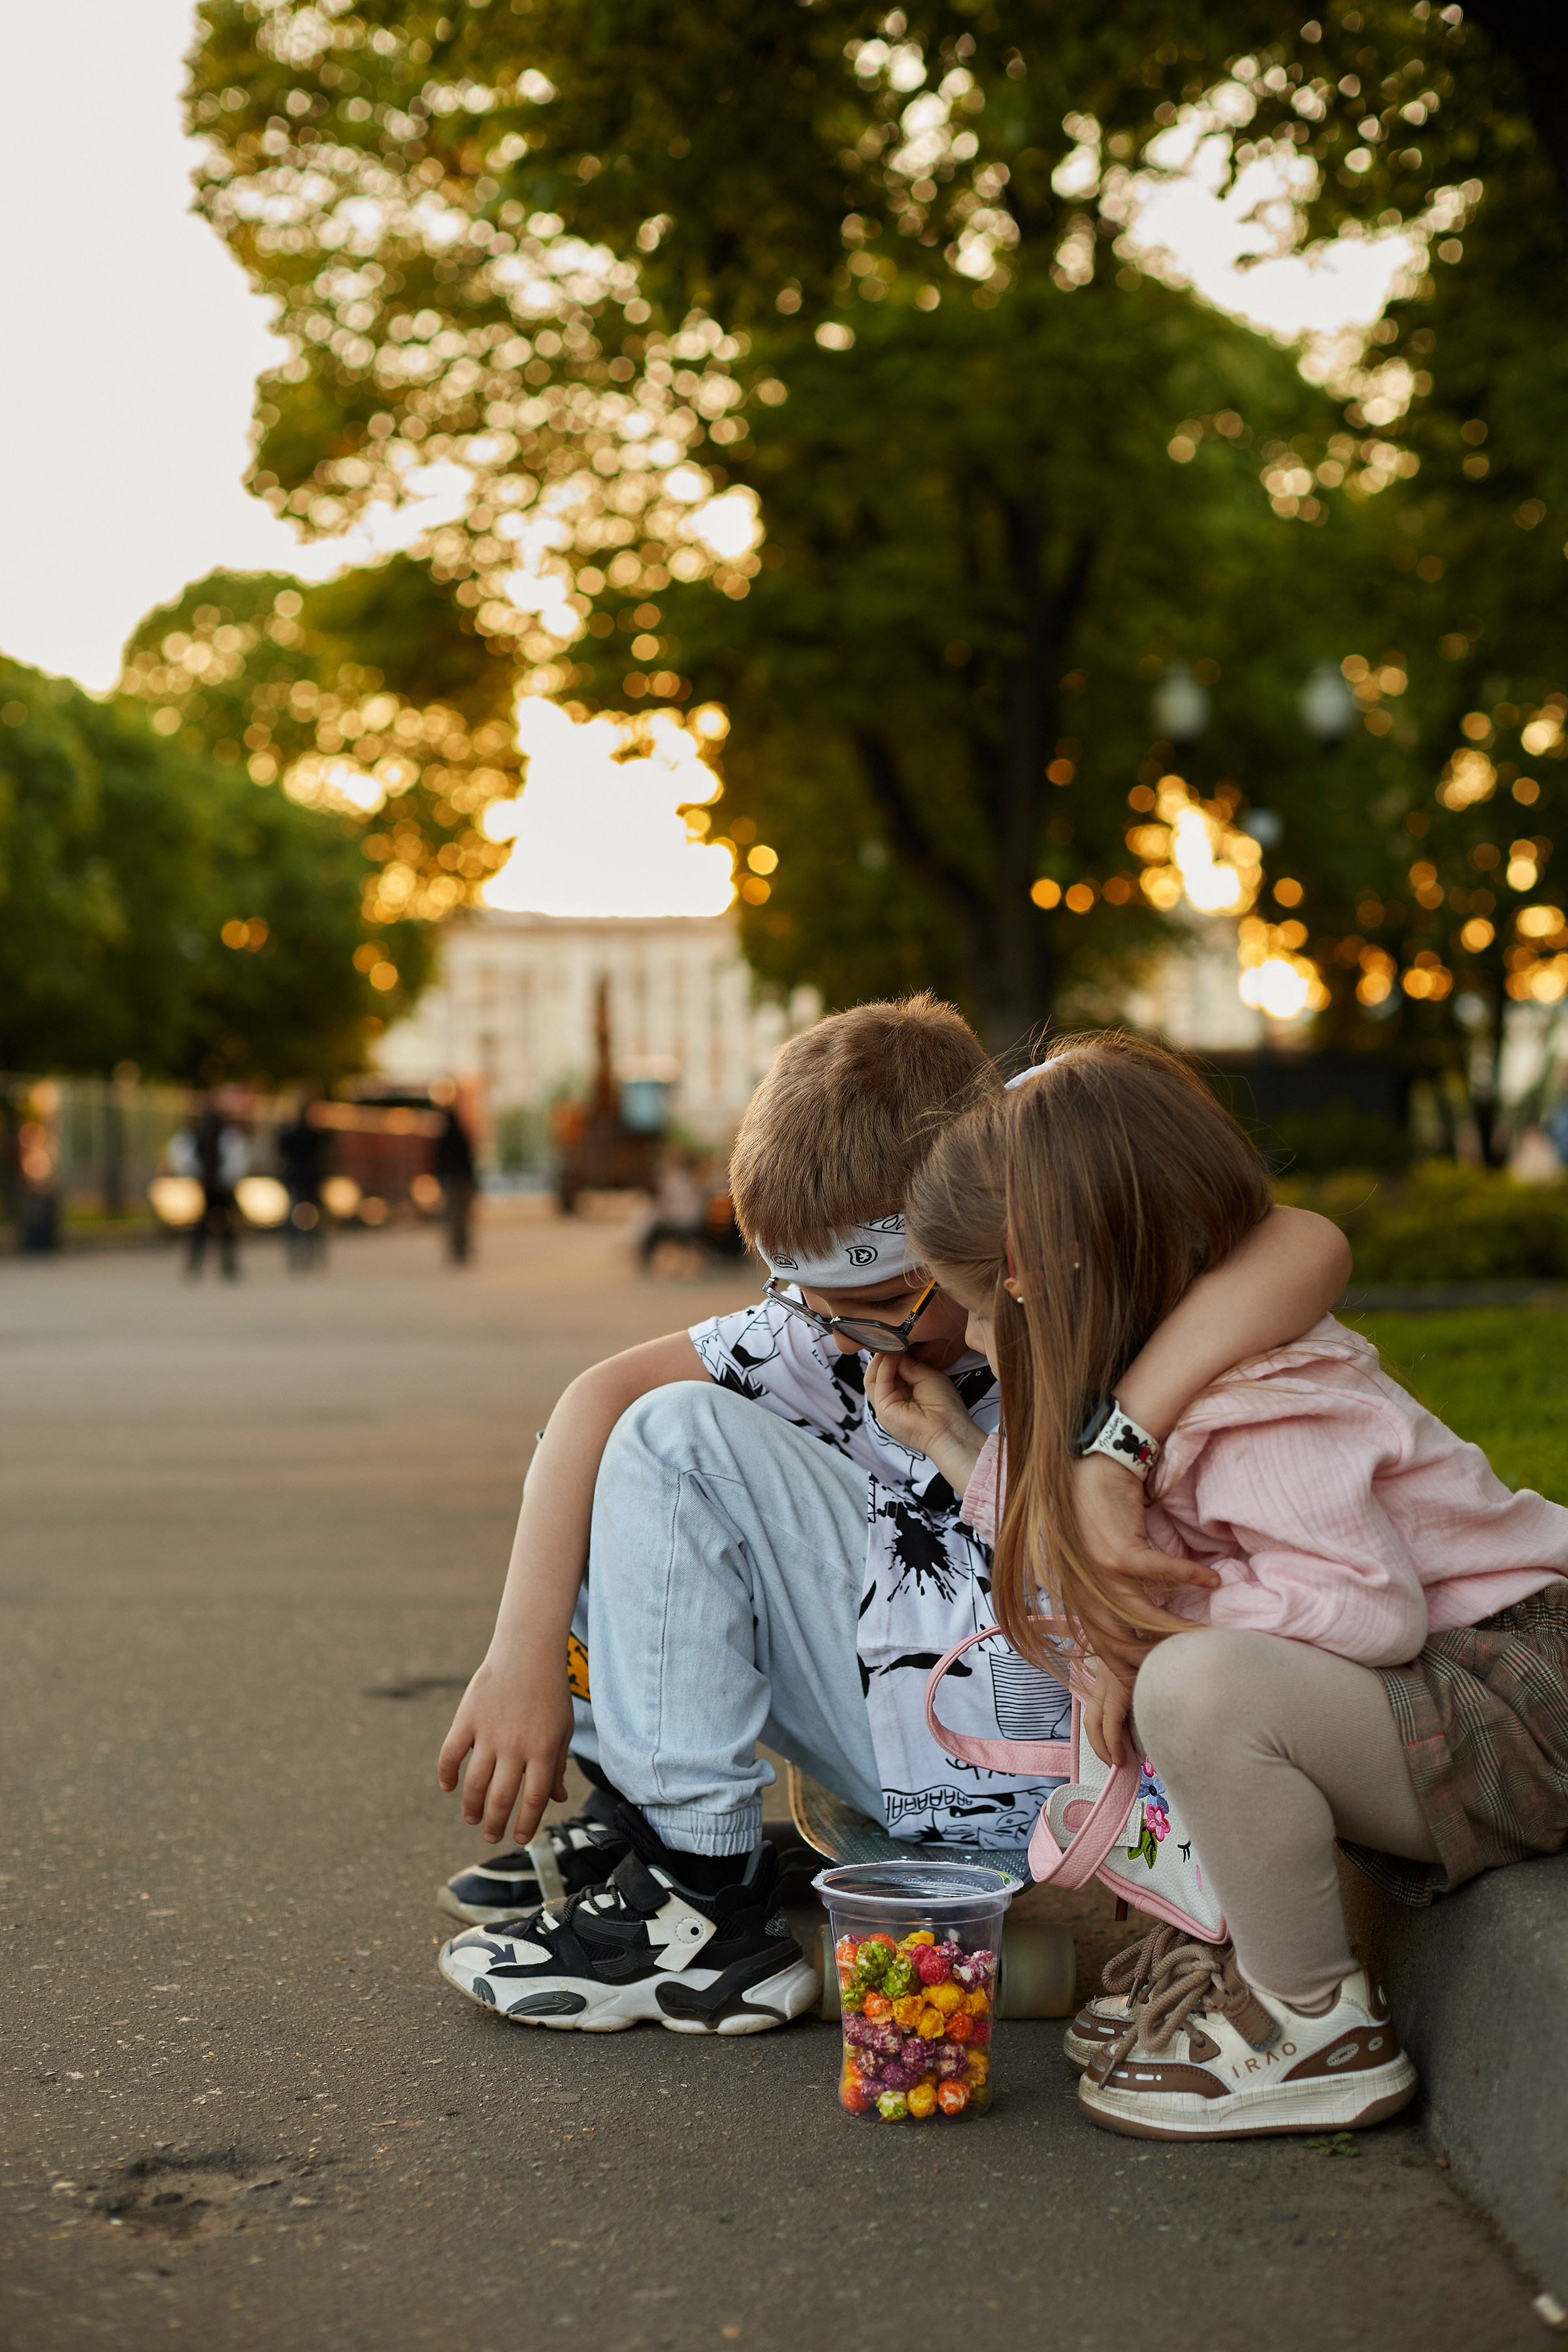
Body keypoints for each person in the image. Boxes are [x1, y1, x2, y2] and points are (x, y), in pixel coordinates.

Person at [431, 995, 1351, 2040]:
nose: (840, 1341)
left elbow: (1304, 1239)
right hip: (965, 1727)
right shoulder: (840, 1327)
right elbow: (593, 1399)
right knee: (616, 1450)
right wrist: (520, 1662)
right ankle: (662, 1828)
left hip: (1062, 1760)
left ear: (988, 1234)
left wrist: (1118, 1443)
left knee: (677, 1444)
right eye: (805, 1303)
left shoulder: (1094, 1277)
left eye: (877, 1303)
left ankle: (700, 1910)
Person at [882, 1033, 1568, 2138]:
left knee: (1198, 1691)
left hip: (1521, 1690)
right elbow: (1097, 1544)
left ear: (1023, 1267)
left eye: (966, 1303)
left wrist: (1152, 1654)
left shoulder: (1258, 1402)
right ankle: (1239, 1958)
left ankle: (1311, 2024)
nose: (961, 1335)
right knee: (1182, 1677)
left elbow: (1364, 1610)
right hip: (1454, 1689)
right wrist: (961, 1446)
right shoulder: (1155, 1376)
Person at [178, 1098, 248, 1281]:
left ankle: (202, 1263)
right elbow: (237, 1164)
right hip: (220, 1190)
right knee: (224, 1227)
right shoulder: (227, 1138)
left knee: (207, 1228)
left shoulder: (201, 1137)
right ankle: (226, 1264)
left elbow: (185, 1161)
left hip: (211, 1188)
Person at [278, 1092, 329, 1271]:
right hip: (311, 1177)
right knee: (315, 1217)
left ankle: (295, 1255)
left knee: (293, 1217)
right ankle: (315, 1254)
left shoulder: (290, 1133)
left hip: (295, 1176)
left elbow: (282, 1151)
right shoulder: (314, 1134)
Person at [432, 1086, 478, 1265]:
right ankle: (460, 1250)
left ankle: (459, 1250)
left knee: (454, 1218)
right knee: (459, 1218)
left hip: (453, 1180)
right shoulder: (457, 1132)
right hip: (458, 1180)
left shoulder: (446, 1132)